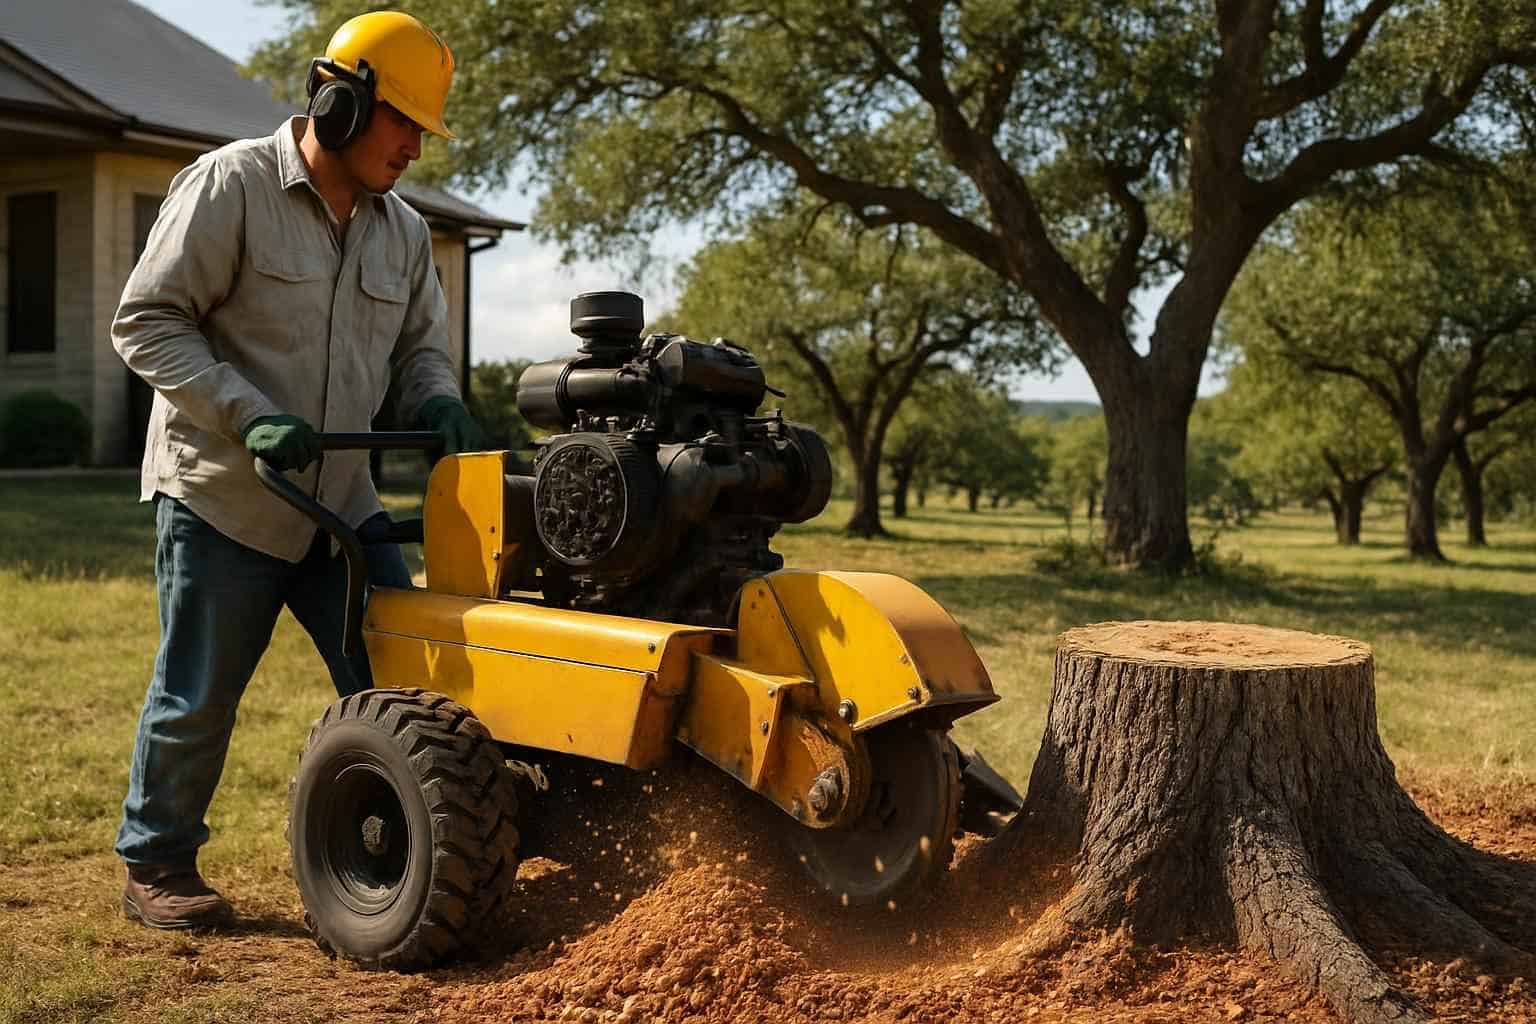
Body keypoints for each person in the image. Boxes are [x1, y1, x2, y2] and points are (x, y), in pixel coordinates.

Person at [110, 10, 484, 930]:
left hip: (344, 505)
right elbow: (147, 322)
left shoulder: (402, 233)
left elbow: (419, 351)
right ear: (342, 102)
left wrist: (435, 398)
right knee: (198, 693)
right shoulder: (230, 185)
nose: (412, 150)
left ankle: (426, 845)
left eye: (421, 133)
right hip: (225, 495)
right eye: (402, 124)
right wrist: (252, 414)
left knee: (415, 685)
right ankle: (156, 864)